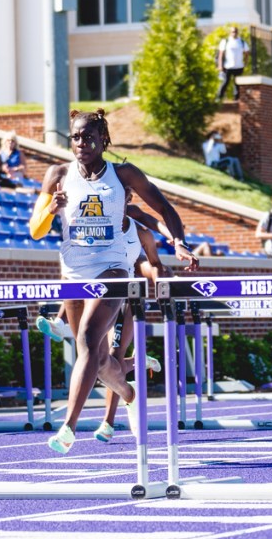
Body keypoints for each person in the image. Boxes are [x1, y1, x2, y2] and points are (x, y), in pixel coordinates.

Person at [29, 108, 197, 455]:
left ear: (103, 140)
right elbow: (35, 231)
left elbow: (164, 209)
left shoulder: (124, 175)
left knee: (90, 339)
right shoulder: (57, 174)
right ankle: (130, 395)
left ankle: (69, 428)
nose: (81, 143)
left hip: (114, 268)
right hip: (74, 273)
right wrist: (50, 209)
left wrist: (179, 242)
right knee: (99, 360)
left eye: (88, 137)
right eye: (75, 137)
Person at [93, 189, 173, 443]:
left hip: (131, 299)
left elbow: (153, 227)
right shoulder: (97, 220)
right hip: (109, 295)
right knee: (104, 363)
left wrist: (175, 239)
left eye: (124, 198)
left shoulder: (134, 225)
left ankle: (108, 421)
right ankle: (139, 362)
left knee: (113, 358)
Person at [215, 26, 249, 101]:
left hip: (239, 66)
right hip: (228, 66)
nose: (234, 33)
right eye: (233, 32)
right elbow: (221, 54)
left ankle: (236, 99)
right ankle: (219, 97)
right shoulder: (226, 41)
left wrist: (245, 62)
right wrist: (220, 65)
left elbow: (247, 53)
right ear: (230, 33)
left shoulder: (241, 42)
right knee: (225, 82)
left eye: (235, 32)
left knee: (237, 84)